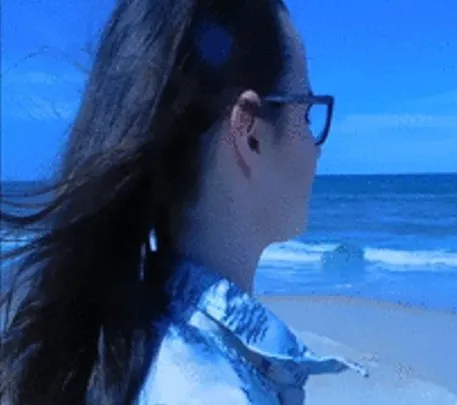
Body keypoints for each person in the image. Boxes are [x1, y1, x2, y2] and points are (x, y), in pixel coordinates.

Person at [0, 0, 367, 403]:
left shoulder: (119, 341)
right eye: (308, 114)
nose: (317, 151)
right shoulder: (210, 391)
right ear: (251, 135)